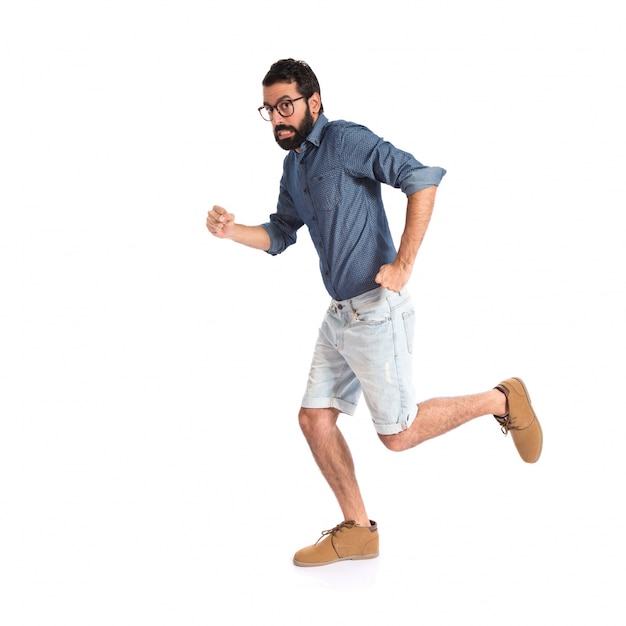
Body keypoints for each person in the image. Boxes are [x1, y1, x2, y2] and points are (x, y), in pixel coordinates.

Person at [206, 58, 543, 567]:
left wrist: (404, 262)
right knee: (315, 419)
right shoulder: (293, 164)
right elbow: (280, 233)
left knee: (398, 434)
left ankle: (502, 399)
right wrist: (232, 231)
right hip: (340, 314)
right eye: (269, 108)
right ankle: (359, 530)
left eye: (285, 105)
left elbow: (420, 178)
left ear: (312, 102)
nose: (277, 117)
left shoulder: (344, 140)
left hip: (376, 309)